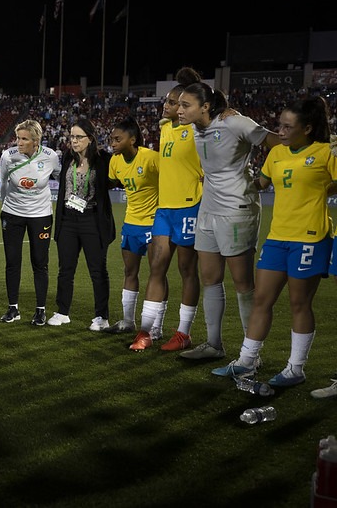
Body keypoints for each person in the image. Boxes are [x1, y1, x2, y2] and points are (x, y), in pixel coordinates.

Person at [212, 96, 335, 385]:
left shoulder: (325, 152)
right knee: (261, 301)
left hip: (311, 237)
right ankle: (246, 361)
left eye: (287, 127)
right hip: (277, 236)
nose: (279, 132)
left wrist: (324, 189)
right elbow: (262, 183)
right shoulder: (277, 154)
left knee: (299, 305)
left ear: (307, 128)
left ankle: (295, 368)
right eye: (279, 125)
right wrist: (233, 181)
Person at [174, 81, 279, 367]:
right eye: (178, 104)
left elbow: (275, 142)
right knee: (210, 279)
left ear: (205, 106)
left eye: (185, 105)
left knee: (243, 285)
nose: (178, 110)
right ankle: (214, 345)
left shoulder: (234, 122)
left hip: (237, 210)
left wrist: (265, 178)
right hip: (208, 210)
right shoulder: (197, 126)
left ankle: (251, 356)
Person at [128, 67, 202, 351]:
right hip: (164, 210)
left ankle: (183, 333)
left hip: (189, 207)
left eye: (175, 103)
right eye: (170, 102)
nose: (169, 106)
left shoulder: (199, 130)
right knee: (156, 267)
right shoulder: (164, 127)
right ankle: (146, 332)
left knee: (186, 269)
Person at [47, 118, 115, 329]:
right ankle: (62, 311)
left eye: (78, 137)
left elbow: (114, 181)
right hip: (68, 219)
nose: (74, 141)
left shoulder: (104, 159)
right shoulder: (68, 157)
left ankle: (101, 317)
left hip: (92, 220)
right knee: (65, 269)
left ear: (90, 139)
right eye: (72, 136)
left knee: (98, 271)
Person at [0, 119, 60, 326]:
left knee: (40, 263)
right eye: (18, 138)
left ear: (36, 140)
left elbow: (62, 178)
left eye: (24, 139)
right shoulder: (8, 156)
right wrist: (6, 208)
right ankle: (12, 308)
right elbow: (3, 182)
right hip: (12, 214)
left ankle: (40, 310)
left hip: (40, 215)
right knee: (12, 262)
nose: (19, 142)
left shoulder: (51, 157)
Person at [104, 116, 161, 336]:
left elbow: (171, 180)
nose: (113, 143)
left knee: (157, 274)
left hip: (154, 225)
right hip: (131, 224)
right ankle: (128, 321)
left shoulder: (152, 158)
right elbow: (112, 181)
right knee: (130, 272)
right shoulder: (115, 161)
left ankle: (155, 328)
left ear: (133, 139)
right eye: (111, 139)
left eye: (118, 139)